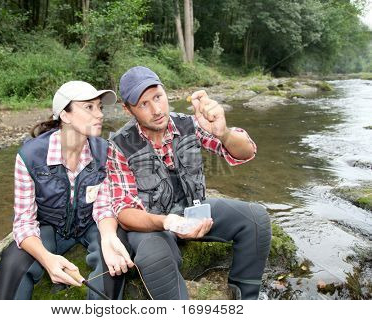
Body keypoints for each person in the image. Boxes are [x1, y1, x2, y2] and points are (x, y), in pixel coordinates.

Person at [107, 66, 271, 300]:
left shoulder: (190, 124)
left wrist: (223, 132)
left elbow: (245, 152)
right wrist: (169, 222)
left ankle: (244, 298)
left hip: (194, 211)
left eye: (158, 97)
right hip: (152, 224)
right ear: (127, 109)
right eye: (144, 104)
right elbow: (124, 212)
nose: (156, 110)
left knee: (257, 219)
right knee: (155, 258)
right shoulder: (118, 146)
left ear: (165, 93)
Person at [0, 81, 133, 300]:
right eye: (89, 107)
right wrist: (48, 260)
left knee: (115, 252)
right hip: (48, 228)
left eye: (100, 107)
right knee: (13, 261)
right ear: (65, 115)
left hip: (90, 225)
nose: (99, 114)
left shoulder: (105, 151)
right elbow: (23, 222)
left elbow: (105, 207)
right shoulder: (29, 156)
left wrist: (107, 236)